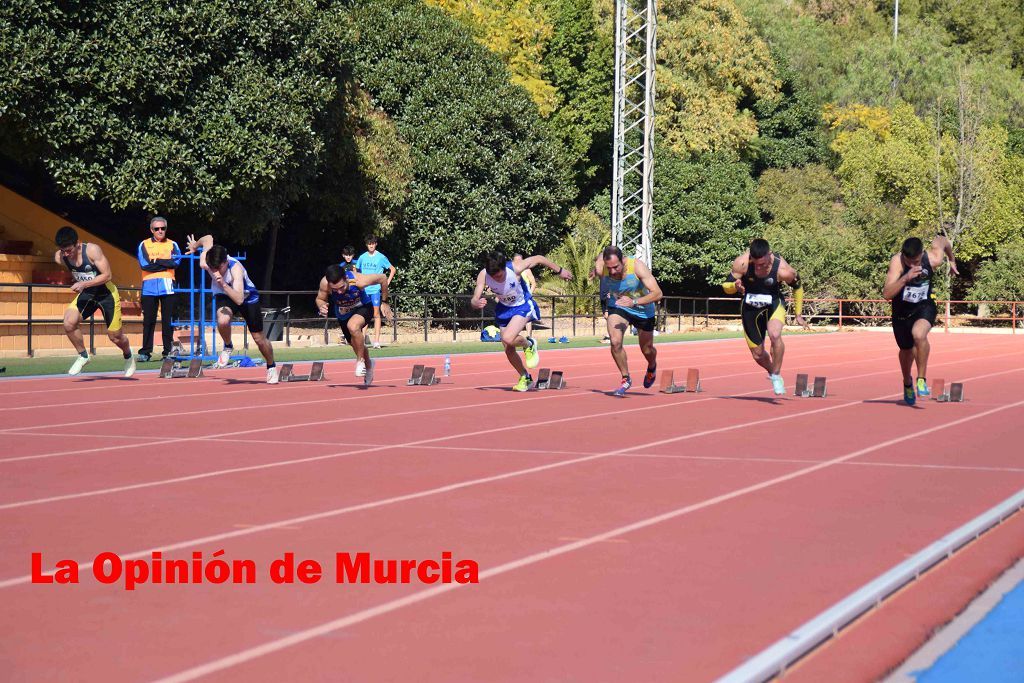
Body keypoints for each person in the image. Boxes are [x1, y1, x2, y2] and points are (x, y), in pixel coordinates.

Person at [471, 251, 572, 391]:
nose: (496, 279)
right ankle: (525, 377)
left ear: (504, 268)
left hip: (522, 306)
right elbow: (476, 295)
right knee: (508, 349)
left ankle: (529, 344)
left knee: (507, 337)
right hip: (504, 309)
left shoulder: (516, 268)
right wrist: (475, 302)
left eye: (499, 275)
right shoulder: (484, 274)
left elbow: (539, 257)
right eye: (493, 276)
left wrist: (560, 270)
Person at [185, 234, 279, 384]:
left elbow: (239, 299)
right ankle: (228, 346)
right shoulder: (206, 261)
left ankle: (271, 366)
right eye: (213, 268)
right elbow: (208, 238)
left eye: (219, 268)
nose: (215, 271)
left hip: (245, 297)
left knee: (259, 339)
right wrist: (196, 245)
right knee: (223, 321)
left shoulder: (236, 268)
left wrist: (222, 283)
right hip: (224, 295)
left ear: (226, 262)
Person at [723, 238, 807, 396]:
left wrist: (798, 313)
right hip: (750, 308)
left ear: (769, 254)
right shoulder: (742, 263)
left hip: (773, 303)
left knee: (775, 334)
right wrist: (734, 287)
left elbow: (798, 287)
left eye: (763, 263)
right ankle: (772, 371)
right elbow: (725, 287)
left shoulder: (783, 269)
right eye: (756, 264)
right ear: (751, 258)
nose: (760, 267)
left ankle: (776, 374)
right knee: (758, 354)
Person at [881, 235, 958, 405]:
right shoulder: (897, 262)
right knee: (906, 350)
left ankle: (921, 379)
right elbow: (887, 294)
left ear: (922, 253)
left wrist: (952, 259)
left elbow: (942, 240)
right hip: (901, 312)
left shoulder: (933, 258)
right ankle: (907, 382)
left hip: (924, 306)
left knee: (919, 334)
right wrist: (905, 278)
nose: (913, 265)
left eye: (916, 262)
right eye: (909, 262)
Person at [53, 226, 136, 377]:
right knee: (68, 322)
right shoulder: (60, 257)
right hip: (89, 293)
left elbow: (107, 275)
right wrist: (82, 282)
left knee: (115, 337)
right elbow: (72, 266)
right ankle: (83, 356)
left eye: (69, 250)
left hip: (106, 294)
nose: (66, 254)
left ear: (78, 243)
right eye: (63, 251)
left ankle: (128, 355)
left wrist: (83, 283)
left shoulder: (92, 251)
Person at [594, 246, 663, 396]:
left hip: (643, 310)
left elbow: (658, 293)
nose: (612, 272)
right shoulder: (602, 268)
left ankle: (652, 366)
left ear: (623, 260)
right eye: (609, 268)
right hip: (619, 307)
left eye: (616, 267)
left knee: (647, 349)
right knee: (615, 342)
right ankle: (625, 378)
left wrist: (635, 302)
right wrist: (597, 268)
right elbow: (600, 258)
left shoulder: (636, 266)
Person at [315, 264, 393, 386]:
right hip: (343, 313)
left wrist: (384, 302)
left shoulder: (359, 280)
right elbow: (320, 298)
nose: (339, 292)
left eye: (341, 287)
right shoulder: (325, 283)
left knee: (353, 326)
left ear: (346, 278)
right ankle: (368, 365)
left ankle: (360, 360)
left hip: (363, 307)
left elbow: (383, 278)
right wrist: (321, 306)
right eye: (335, 290)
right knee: (356, 344)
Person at [136, 216, 182, 362]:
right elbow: (144, 265)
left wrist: (156, 261)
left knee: (168, 320)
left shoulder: (173, 244)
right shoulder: (143, 244)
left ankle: (168, 352)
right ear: (151, 230)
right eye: (157, 229)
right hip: (148, 287)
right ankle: (145, 352)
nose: (160, 231)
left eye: (163, 228)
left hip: (168, 285)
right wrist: (165, 263)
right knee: (148, 320)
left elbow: (176, 262)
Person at [356, 235, 396, 349]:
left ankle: (376, 342)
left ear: (376, 244)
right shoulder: (362, 257)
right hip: (364, 290)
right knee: (363, 315)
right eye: (369, 244)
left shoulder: (381, 257)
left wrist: (386, 282)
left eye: (373, 243)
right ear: (366, 245)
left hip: (375, 291)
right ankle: (361, 341)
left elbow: (392, 269)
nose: (371, 245)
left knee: (376, 314)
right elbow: (356, 270)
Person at [513, 253, 538, 339]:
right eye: (516, 260)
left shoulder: (527, 270)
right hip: (516, 297)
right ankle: (515, 335)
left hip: (526, 296)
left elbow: (533, 283)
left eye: (520, 260)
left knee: (527, 317)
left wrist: (529, 294)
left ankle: (529, 336)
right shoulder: (512, 271)